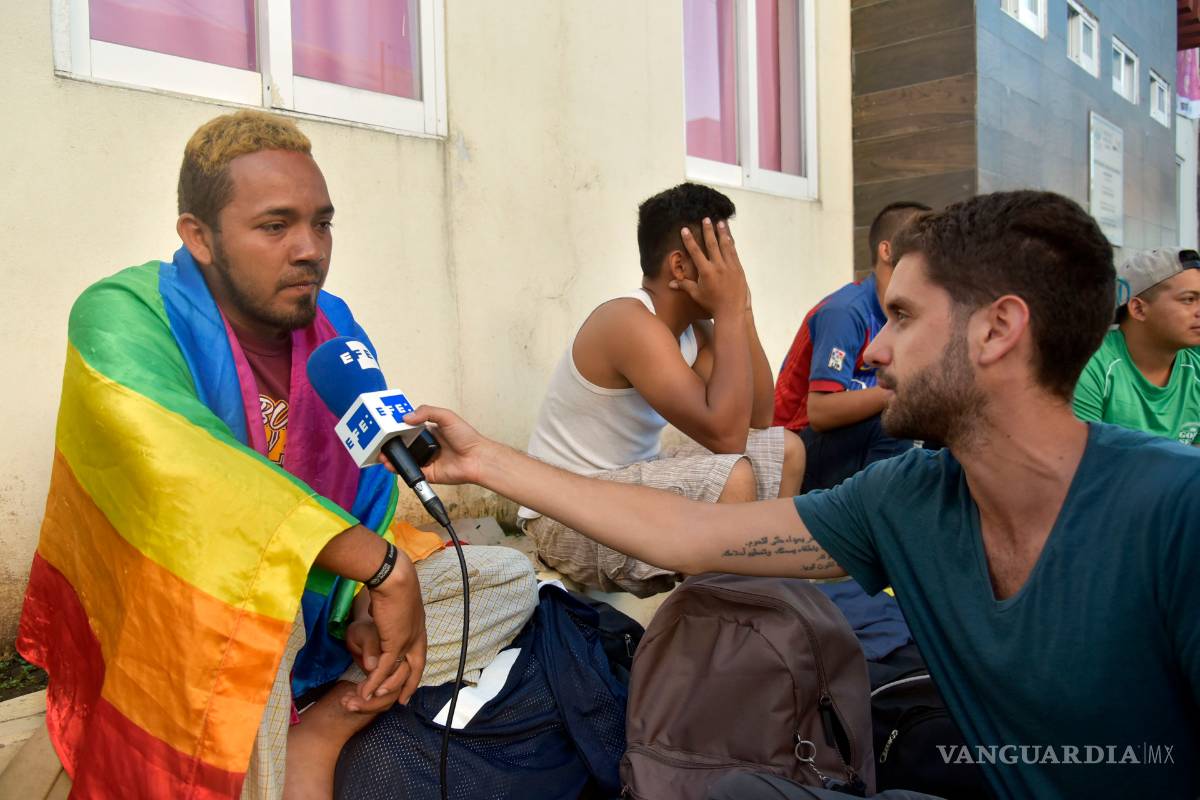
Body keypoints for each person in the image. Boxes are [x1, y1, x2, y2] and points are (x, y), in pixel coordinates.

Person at [395, 193, 1200, 799]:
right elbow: (686, 534)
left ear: (997, 330)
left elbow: (737, 427)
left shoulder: (1175, 512)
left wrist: (733, 311)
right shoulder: (906, 499)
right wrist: (488, 461)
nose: (872, 350)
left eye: (902, 317)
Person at [16, 111, 536, 800]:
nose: (310, 249)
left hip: (323, 610)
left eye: (322, 223)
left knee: (503, 577)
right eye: (275, 226)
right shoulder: (120, 315)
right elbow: (192, 473)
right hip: (187, 614)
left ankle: (321, 725)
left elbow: (365, 485)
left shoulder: (334, 326)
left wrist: (362, 600)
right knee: (255, 611)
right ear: (199, 237)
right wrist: (382, 570)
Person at [518, 182, 804, 596]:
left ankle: (767, 598)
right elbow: (726, 438)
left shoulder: (695, 332)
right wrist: (727, 309)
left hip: (622, 487)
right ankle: (729, 618)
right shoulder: (627, 322)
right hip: (564, 515)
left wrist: (741, 308)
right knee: (732, 478)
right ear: (680, 267)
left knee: (787, 449)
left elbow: (758, 417)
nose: (731, 270)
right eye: (720, 256)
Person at [773, 201, 930, 491]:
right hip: (796, 448)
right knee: (892, 423)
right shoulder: (845, 312)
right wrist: (900, 391)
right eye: (923, 244)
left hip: (852, 440)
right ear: (887, 251)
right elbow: (820, 413)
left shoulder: (906, 313)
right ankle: (877, 513)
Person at [1074, 247, 1200, 445]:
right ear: (1139, 309)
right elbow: (1081, 457)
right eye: (1189, 300)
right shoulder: (1090, 366)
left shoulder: (1195, 367)